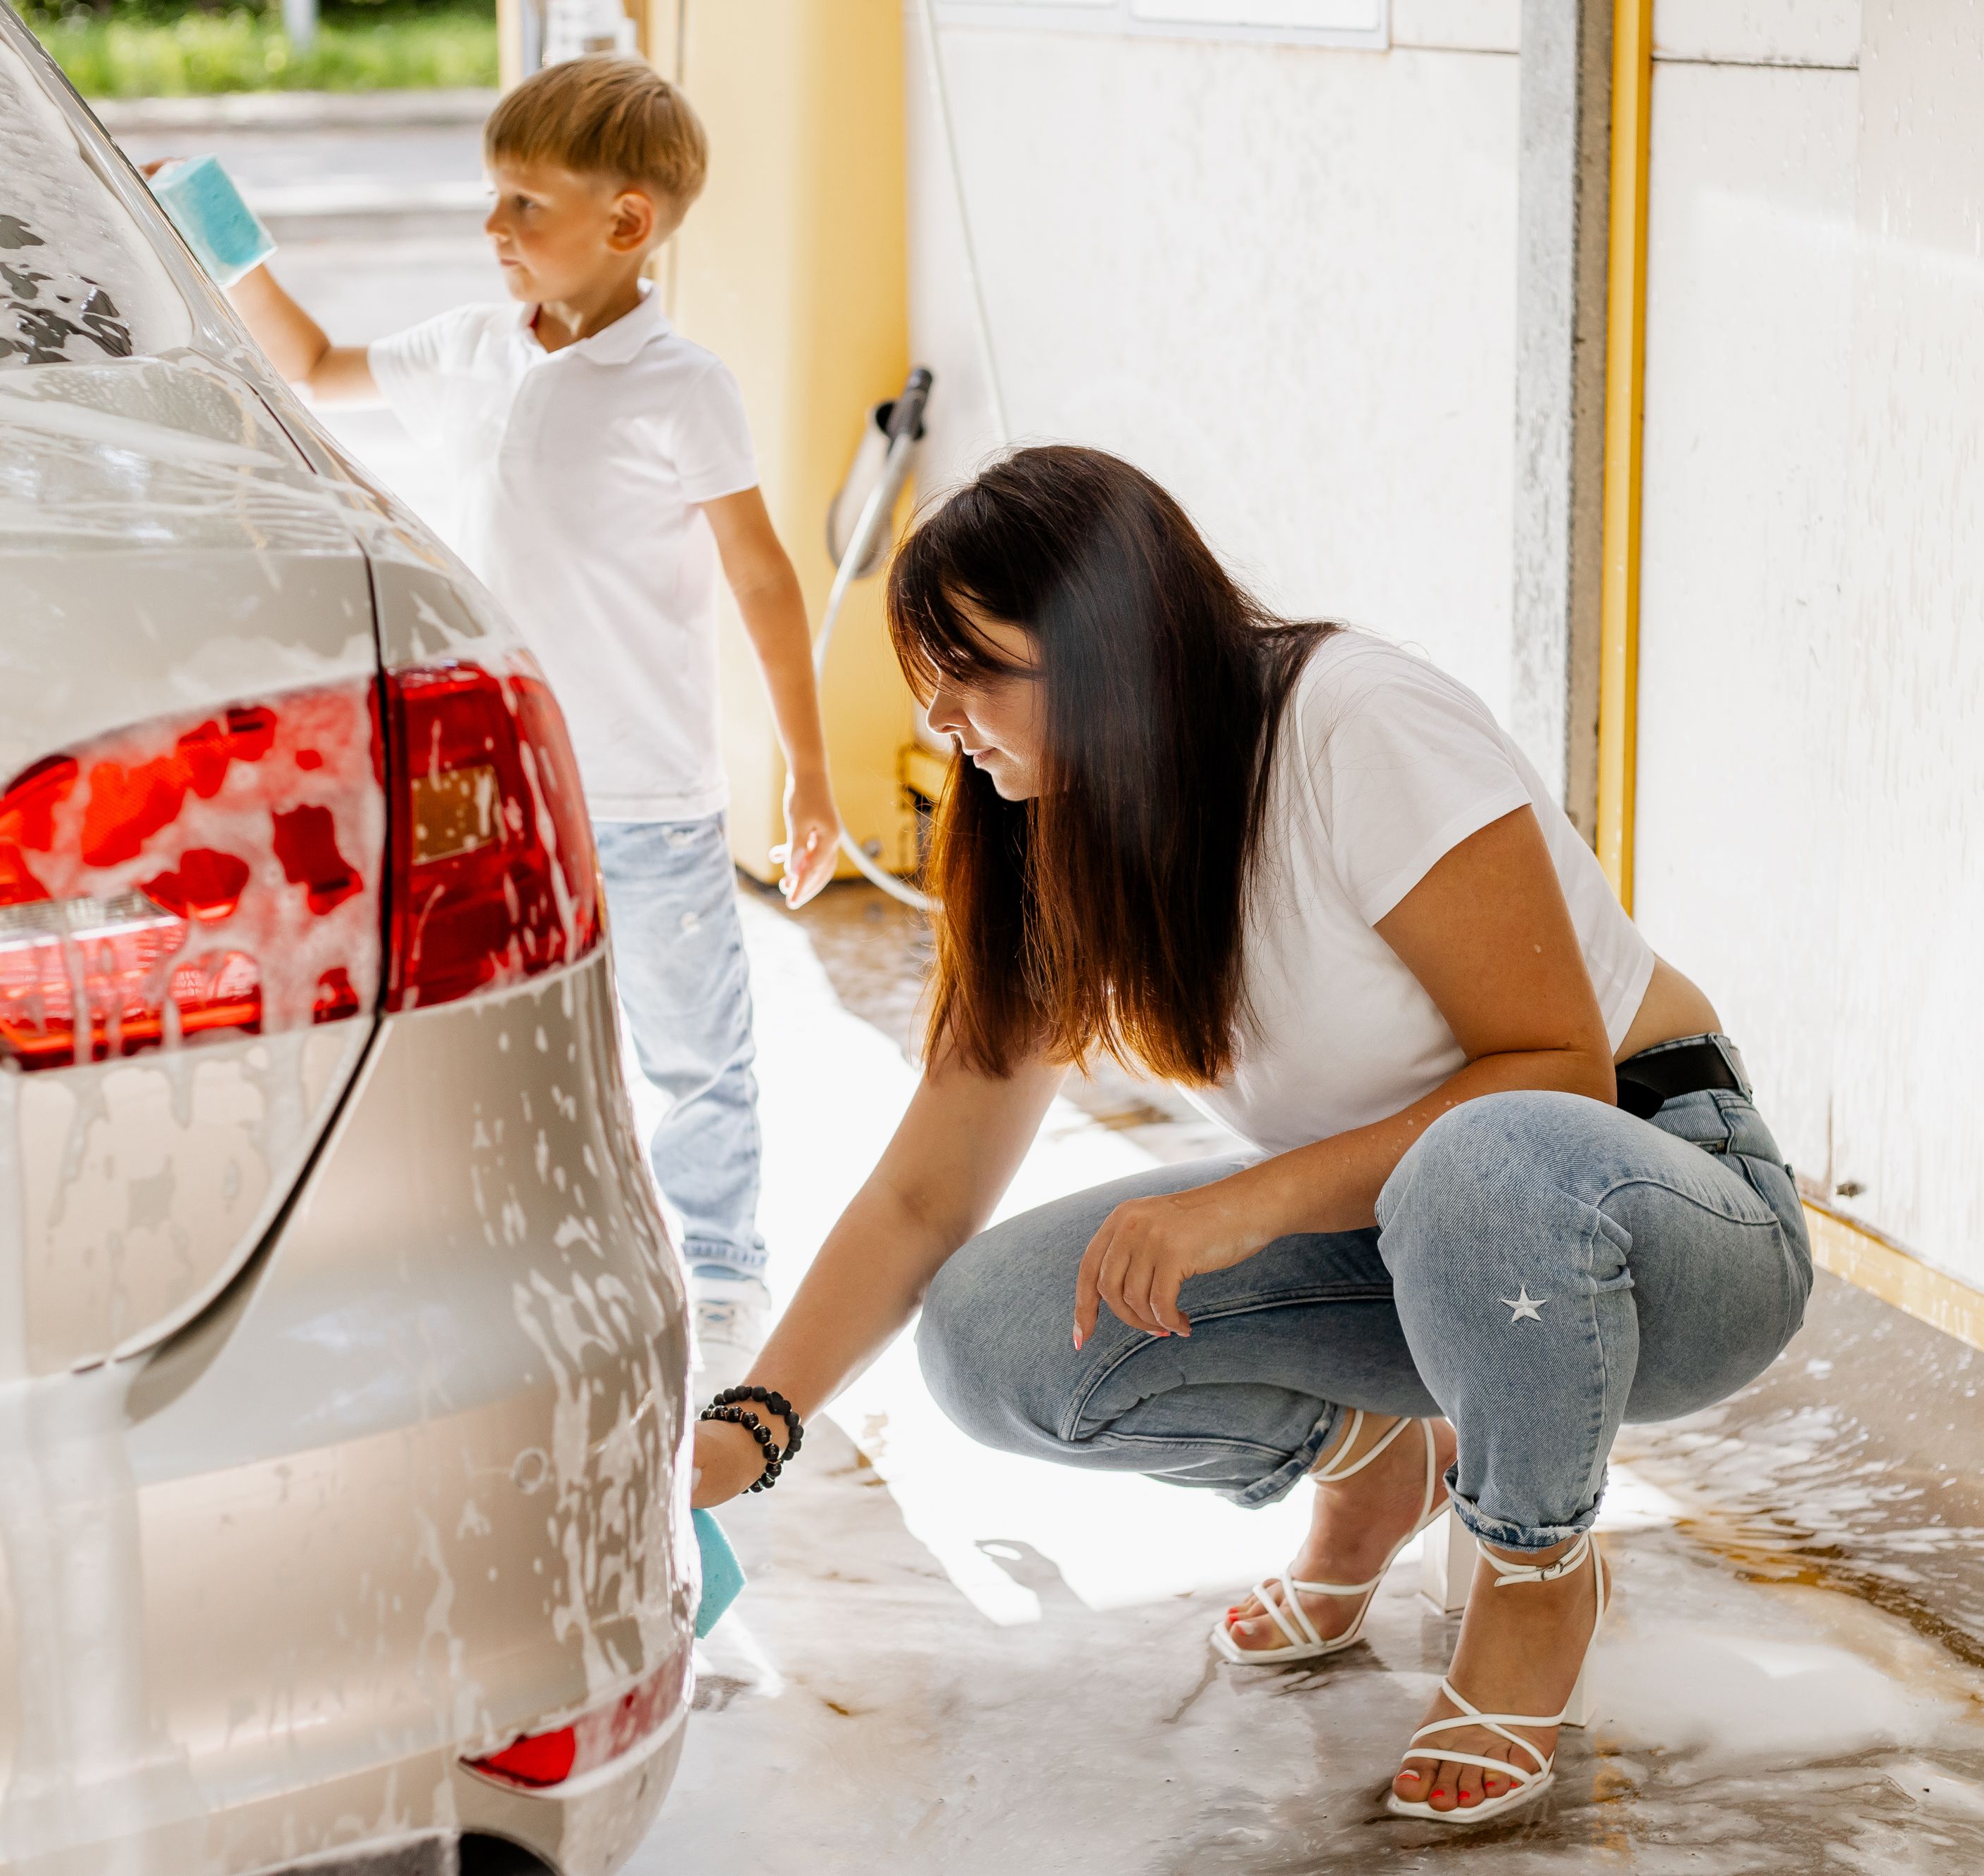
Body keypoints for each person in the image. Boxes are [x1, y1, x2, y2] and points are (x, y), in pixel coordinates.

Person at [689, 447, 1812, 1823]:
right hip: (1406, 1234)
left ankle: (1529, 1575)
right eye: (930, 676)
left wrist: (1255, 1198)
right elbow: (928, 1195)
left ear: (1107, 652)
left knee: (1486, 1158)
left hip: (1658, 1219)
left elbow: (1557, 1073)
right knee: (995, 1331)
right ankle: (1364, 1460)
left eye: (971, 669)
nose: (939, 717)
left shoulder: (1352, 721)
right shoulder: (1067, 830)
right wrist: (749, 1422)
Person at [215, 58, 839, 1370]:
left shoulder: (682, 387)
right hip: (487, 779)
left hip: (647, 791)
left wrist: (812, 774)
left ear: (628, 223)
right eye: (489, 200)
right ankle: (525, 1234)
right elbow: (318, 365)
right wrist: (231, 248)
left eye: (521, 204)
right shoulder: (467, 347)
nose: (491, 230)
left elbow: (763, 576)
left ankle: (720, 1260)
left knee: (692, 1046)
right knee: (488, 1014)